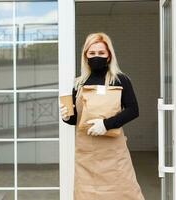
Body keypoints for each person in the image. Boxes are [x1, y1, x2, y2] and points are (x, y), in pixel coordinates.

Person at [60, 32, 145, 200]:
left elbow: (133, 110)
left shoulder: (120, 80)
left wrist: (106, 124)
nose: (96, 57)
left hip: (113, 153)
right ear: (85, 56)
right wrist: (66, 116)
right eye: (92, 53)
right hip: (86, 154)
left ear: (108, 56)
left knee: (124, 193)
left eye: (101, 53)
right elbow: (76, 119)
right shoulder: (79, 83)